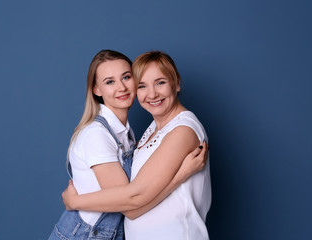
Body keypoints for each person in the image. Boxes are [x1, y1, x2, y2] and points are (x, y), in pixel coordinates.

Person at [49, 50, 209, 240]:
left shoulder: (147, 132)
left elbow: (133, 200)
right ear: (96, 89)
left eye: (126, 77)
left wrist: (76, 201)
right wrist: (180, 175)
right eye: (110, 82)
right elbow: (131, 203)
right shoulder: (98, 134)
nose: (122, 87)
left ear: (177, 83)